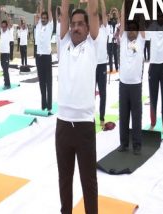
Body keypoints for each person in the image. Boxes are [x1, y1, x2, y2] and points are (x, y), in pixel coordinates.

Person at [56, 0, 99, 213]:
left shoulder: (93, 45)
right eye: (73, 23)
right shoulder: (63, 45)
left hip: (84, 125)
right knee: (64, 179)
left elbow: (93, 10)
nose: (76, 27)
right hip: (63, 123)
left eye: (81, 23)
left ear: (88, 27)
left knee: (88, 181)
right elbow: (63, 12)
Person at [117, 2, 145, 155]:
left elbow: (142, 21)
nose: (132, 32)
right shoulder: (123, 41)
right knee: (123, 114)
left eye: (134, 30)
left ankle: (137, 144)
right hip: (123, 85)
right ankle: (123, 143)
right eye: (130, 29)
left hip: (135, 85)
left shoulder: (140, 41)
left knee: (136, 115)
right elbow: (122, 19)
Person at [35, 0, 53, 111]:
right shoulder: (38, 26)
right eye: (43, 18)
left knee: (48, 82)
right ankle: (43, 104)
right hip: (39, 57)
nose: (44, 19)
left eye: (45, 18)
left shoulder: (50, 26)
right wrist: (41, 3)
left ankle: (49, 105)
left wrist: (49, 2)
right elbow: (41, 11)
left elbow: (49, 12)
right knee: (41, 82)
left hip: (47, 57)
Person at [95, 0, 108, 127]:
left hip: (103, 64)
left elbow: (104, 13)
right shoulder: (91, 32)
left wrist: (101, 2)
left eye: (99, 19)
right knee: (89, 93)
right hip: (92, 65)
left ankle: (102, 118)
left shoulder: (104, 29)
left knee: (103, 93)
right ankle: (88, 117)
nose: (98, 21)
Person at [0, 7, 12, 89]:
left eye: (4, 26)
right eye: (2, 26)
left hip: (6, 53)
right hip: (2, 53)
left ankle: (8, 84)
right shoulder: (1, 32)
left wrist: (6, 13)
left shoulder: (8, 31)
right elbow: (0, 21)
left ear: (7, 27)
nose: (3, 28)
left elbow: (9, 21)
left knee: (6, 70)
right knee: (3, 68)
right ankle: (5, 82)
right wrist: (0, 13)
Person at [107, 7, 119, 73]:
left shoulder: (117, 20)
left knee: (115, 55)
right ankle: (111, 68)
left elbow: (119, 21)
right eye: (113, 13)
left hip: (115, 41)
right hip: (110, 41)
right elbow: (108, 19)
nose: (114, 14)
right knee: (110, 55)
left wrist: (116, 12)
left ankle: (117, 68)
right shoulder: (110, 21)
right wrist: (111, 11)